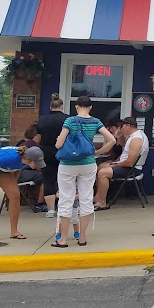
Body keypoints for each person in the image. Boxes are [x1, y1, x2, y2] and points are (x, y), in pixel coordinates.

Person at [52, 96, 116, 247]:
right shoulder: (96, 122)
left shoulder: (70, 121)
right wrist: (97, 153)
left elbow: (59, 144)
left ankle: (63, 239)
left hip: (68, 164)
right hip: (88, 163)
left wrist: (58, 140)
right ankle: (82, 238)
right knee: (86, 199)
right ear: (91, 107)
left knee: (66, 199)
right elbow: (112, 140)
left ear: (76, 106)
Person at [93, 117, 148, 210]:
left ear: (128, 126)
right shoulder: (132, 136)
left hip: (132, 169)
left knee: (103, 173)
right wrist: (118, 136)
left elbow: (130, 162)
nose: (120, 129)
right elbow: (123, 154)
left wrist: (115, 165)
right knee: (101, 166)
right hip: (127, 166)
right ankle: (98, 197)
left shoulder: (136, 139)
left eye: (121, 126)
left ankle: (101, 202)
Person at [35, 93, 68, 218]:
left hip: (46, 151)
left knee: (48, 179)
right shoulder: (67, 119)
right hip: (63, 151)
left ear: (50, 106)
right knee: (65, 179)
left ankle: (50, 210)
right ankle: (64, 207)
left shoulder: (42, 119)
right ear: (62, 106)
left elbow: (39, 134)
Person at [15, 124, 46, 213]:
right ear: (37, 135)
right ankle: (40, 204)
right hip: (21, 173)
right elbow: (36, 167)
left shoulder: (23, 144)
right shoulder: (34, 147)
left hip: (15, 174)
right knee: (47, 177)